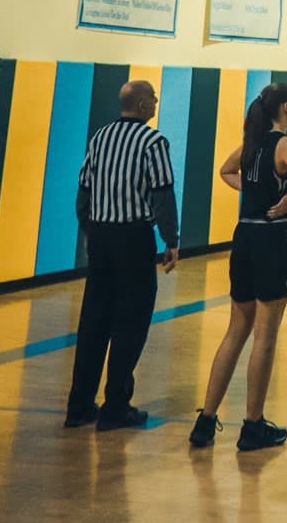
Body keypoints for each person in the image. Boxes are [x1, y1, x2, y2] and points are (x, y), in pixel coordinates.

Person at [189, 83, 287, 451]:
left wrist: (251, 188)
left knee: (236, 330)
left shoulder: (251, 143)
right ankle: (253, 425)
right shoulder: (285, 144)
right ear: (286, 108)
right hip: (272, 239)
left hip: (243, 238)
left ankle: (206, 421)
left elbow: (225, 171)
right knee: (265, 335)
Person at [65, 80, 179, 430]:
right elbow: (162, 193)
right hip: (133, 239)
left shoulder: (100, 137)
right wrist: (170, 239)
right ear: (143, 105)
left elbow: (84, 190)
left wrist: (89, 231)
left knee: (94, 322)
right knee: (131, 321)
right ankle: (116, 405)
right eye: (154, 99)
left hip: (101, 237)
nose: (157, 102)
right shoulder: (153, 141)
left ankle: (80, 406)